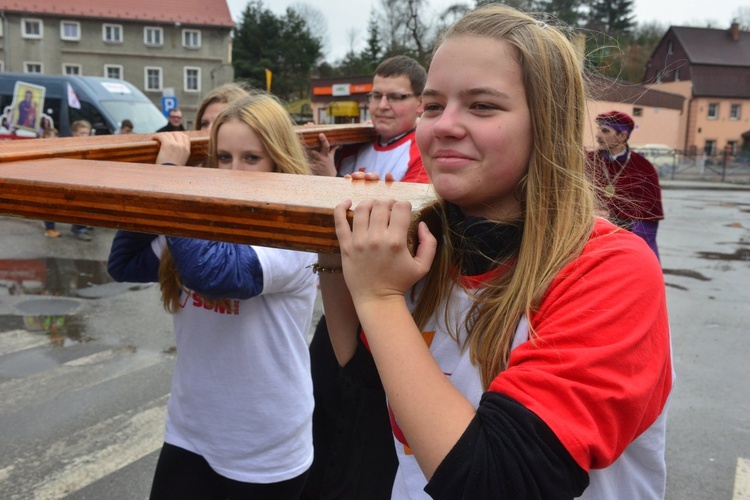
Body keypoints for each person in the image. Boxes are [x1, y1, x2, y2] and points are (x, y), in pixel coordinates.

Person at [316, 5, 672, 499]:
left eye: (482, 106)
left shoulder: (611, 270)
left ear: (546, 125)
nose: (443, 126)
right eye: (434, 106)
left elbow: (497, 481)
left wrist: (378, 297)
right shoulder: (430, 239)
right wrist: (335, 246)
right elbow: (366, 379)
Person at [107, 92, 318, 499]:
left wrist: (167, 180)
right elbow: (125, 263)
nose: (234, 171)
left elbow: (213, 273)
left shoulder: (293, 232)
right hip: (190, 431)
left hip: (263, 449)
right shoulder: (195, 225)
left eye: (251, 158)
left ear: (279, 158)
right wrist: (155, 186)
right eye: (223, 158)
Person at [302, 55, 429, 500]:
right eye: (376, 95)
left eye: (396, 96)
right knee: (320, 415)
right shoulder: (352, 146)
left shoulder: (421, 152)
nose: (382, 105)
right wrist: (326, 175)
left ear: (419, 103)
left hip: (389, 313)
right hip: (339, 302)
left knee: (362, 436)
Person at [588, 110, 664, 259]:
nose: (597, 136)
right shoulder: (588, 161)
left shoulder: (643, 168)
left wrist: (618, 227)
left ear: (622, 136)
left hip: (624, 242)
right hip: (589, 237)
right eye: (598, 130)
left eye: (605, 131)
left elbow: (648, 219)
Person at [67, 119, 94, 240]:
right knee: (79, 204)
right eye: (82, 133)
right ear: (74, 133)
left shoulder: (89, 145)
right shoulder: (70, 146)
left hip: (86, 178)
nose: (85, 136)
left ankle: (81, 225)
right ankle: (79, 228)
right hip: (74, 179)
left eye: (86, 133)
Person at [41, 126, 62, 238]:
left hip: (52, 181)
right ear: (46, 137)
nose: (57, 137)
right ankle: (49, 229)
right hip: (47, 182)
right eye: (54, 135)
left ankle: (49, 226)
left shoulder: (54, 148)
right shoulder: (44, 149)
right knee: (49, 206)